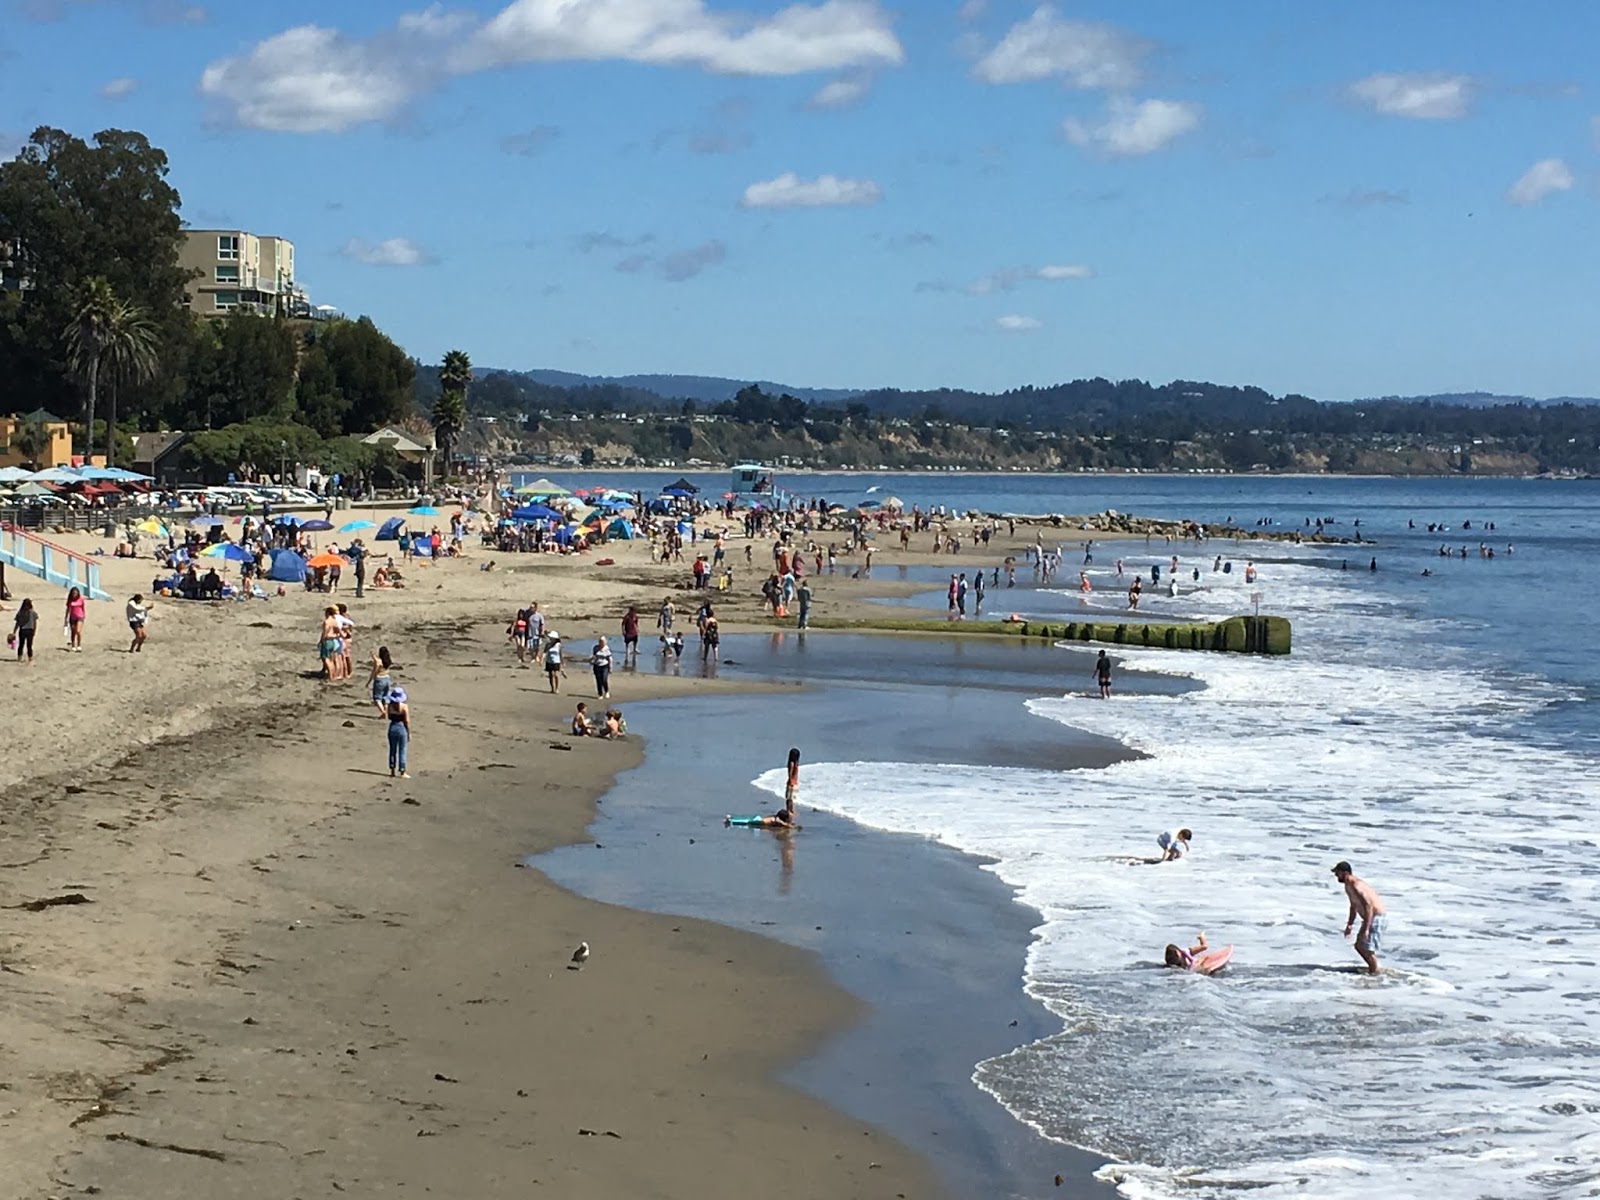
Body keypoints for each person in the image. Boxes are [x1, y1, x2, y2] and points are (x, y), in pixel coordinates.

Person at [1333, 861, 1387, 974]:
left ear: (1345, 873)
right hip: (1370, 919)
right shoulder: (1348, 886)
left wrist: (1366, 928)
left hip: (1376, 918)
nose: (1335, 875)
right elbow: (1353, 906)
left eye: (1337, 873)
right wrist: (1350, 925)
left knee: (1365, 947)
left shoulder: (1356, 885)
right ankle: (1374, 970)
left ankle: (1375, 973)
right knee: (1359, 946)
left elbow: (1369, 906)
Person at [385, 687, 411, 778]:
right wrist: (408, 732)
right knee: (402, 750)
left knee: (392, 750)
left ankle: (392, 770)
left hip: (392, 726)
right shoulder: (404, 707)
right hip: (401, 727)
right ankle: (402, 771)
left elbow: (388, 717)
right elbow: (406, 721)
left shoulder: (390, 706)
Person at [319, 607, 344, 681]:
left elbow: (325, 631)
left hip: (327, 640)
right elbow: (338, 630)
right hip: (334, 640)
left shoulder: (327, 622)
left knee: (326, 659)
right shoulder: (334, 621)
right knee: (332, 659)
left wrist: (321, 640)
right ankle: (334, 675)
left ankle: (331, 676)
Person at [11, 597, 37, 664]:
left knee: (21, 645)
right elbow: (35, 623)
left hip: (23, 630)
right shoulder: (33, 612)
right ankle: (30, 659)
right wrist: (34, 631)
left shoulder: (20, 613)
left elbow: (17, 623)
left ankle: (19, 658)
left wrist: (14, 631)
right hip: (29, 630)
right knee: (29, 646)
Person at [369, 646, 394, 714]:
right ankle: (385, 709)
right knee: (385, 697)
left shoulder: (378, 661)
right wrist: (373, 656)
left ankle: (383, 712)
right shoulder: (388, 661)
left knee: (377, 698)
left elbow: (374, 671)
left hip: (379, 679)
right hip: (387, 678)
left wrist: (370, 681)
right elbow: (376, 659)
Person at [65, 585, 86, 651]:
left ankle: (79, 645)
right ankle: (73, 645)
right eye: (73, 593)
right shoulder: (70, 600)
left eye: (76, 593)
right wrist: (66, 617)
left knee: (78, 631)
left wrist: (84, 615)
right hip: (72, 617)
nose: (74, 594)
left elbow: (83, 607)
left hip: (80, 616)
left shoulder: (81, 599)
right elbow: (68, 609)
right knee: (73, 632)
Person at [592, 635, 613, 699]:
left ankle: (606, 691)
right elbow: (594, 656)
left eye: (602, 642)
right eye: (600, 642)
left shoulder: (607, 649)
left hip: (605, 666)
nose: (601, 643)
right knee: (598, 680)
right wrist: (592, 660)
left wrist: (610, 667)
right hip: (596, 666)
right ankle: (600, 694)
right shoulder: (596, 648)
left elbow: (610, 659)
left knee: (604, 679)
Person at [783, 747, 801, 816]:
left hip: (793, 781)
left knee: (791, 798)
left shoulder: (794, 763)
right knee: (789, 798)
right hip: (792, 782)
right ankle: (789, 810)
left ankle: (791, 810)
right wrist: (791, 781)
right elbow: (790, 773)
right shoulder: (792, 764)